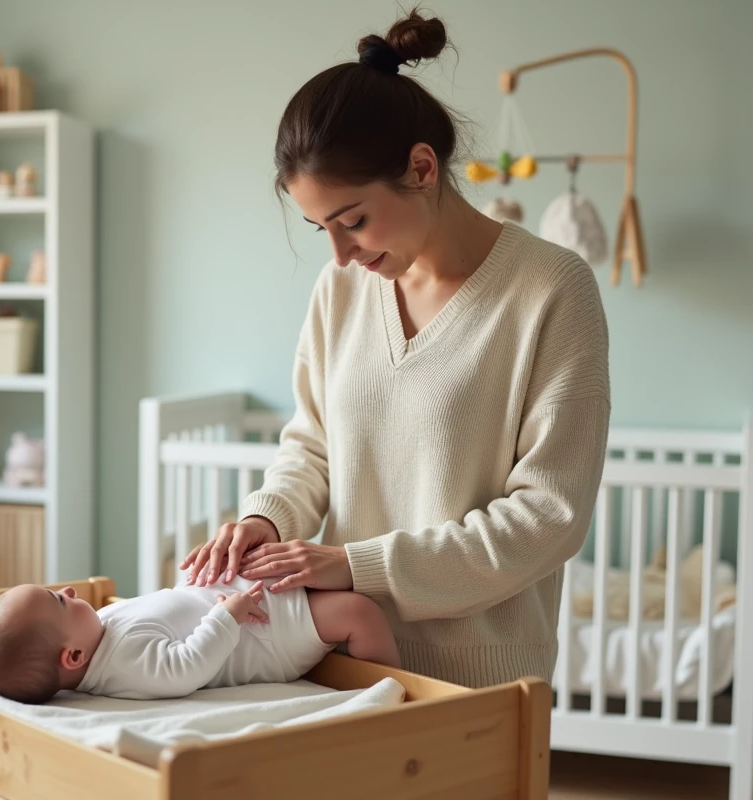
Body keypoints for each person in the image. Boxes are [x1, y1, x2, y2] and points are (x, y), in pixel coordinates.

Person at [179, 9, 610, 689]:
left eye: (352, 221)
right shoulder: (340, 291)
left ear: (420, 168)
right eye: (321, 227)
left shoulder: (551, 290)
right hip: (338, 657)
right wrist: (268, 518)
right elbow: (313, 447)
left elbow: (547, 518)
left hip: (478, 680)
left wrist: (356, 564)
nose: (341, 253)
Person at [0, 579, 400, 703]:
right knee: (359, 613)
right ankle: (401, 697)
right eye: (59, 601)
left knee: (335, 574)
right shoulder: (123, 663)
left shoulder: (96, 630)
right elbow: (184, 667)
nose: (71, 591)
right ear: (72, 657)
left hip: (248, 600)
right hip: (269, 632)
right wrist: (225, 617)